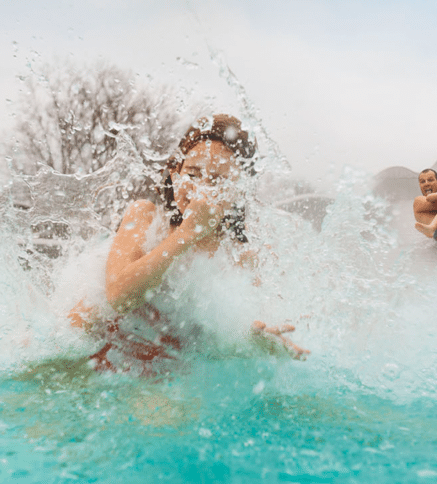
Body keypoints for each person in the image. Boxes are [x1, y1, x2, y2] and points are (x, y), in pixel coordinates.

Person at [69, 114, 309, 372]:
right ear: (174, 174)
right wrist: (187, 233)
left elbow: (227, 337)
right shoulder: (146, 217)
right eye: (193, 174)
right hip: (85, 350)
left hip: (155, 372)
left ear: (239, 192)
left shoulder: (240, 256)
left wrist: (250, 343)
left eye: (217, 181)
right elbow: (119, 297)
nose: (201, 189)